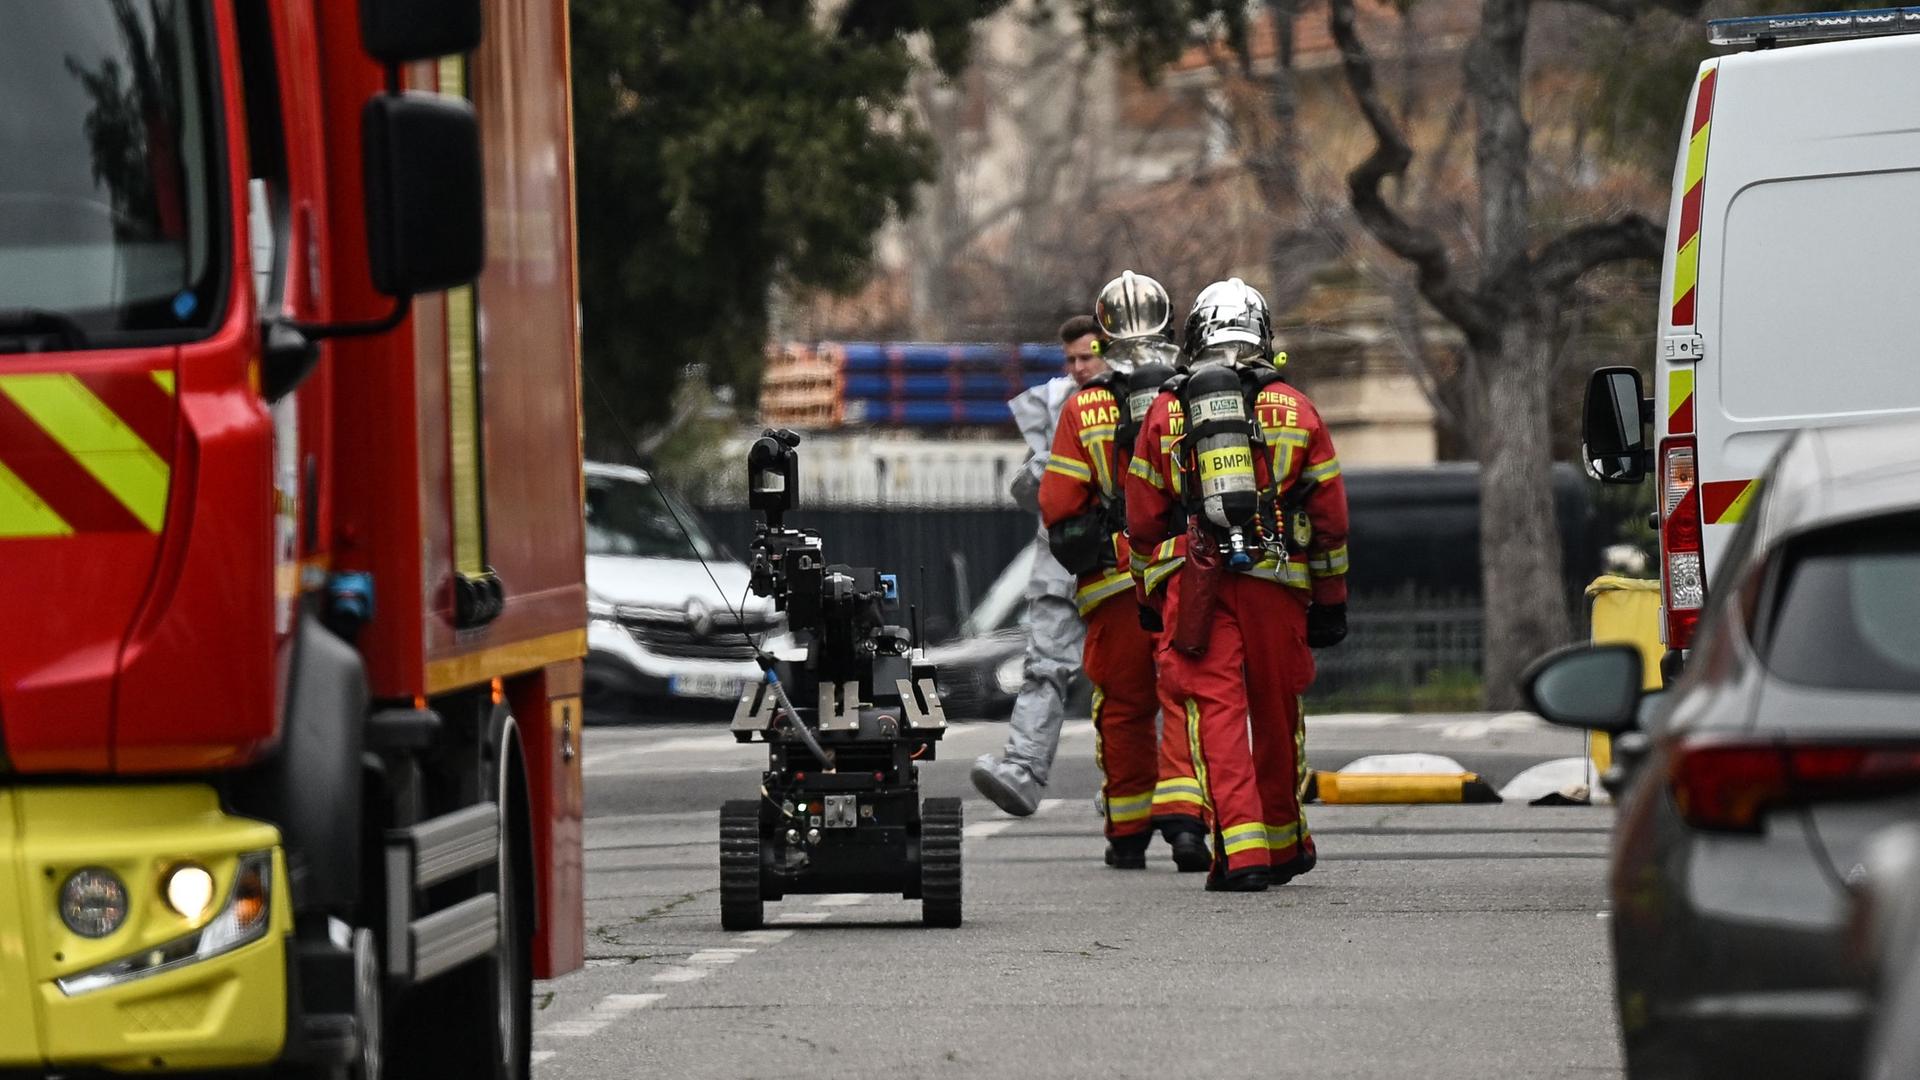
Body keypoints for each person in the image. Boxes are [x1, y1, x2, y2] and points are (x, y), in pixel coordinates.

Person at [1125, 278, 1351, 892]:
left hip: (1193, 584)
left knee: (1215, 714)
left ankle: (1243, 854)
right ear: (1262, 334)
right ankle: (1283, 843)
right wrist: (1330, 603)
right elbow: (1329, 519)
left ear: (1195, 336)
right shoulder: (1298, 409)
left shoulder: (1166, 411)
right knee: (1276, 711)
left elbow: (1142, 518)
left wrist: (1150, 598)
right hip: (1277, 581)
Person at [1036, 272, 1208, 871]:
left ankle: (1128, 831)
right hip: (1187, 573)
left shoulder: (1084, 410)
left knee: (1124, 705)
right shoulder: (1194, 395)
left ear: (1103, 338)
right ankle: (1187, 823)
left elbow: (1060, 509)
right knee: (1186, 695)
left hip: (1114, 583)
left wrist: (1103, 548)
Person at [970, 316, 1105, 816]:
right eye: (1070, 359)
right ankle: (1023, 770)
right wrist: (1038, 473)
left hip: (1118, 560)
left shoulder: (1131, 397)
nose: (1078, 367)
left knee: (1128, 678)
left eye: (1087, 356)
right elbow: (1026, 492)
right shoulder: (1053, 403)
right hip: (1059, 557)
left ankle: (1132, 788)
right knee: (1043, 666)